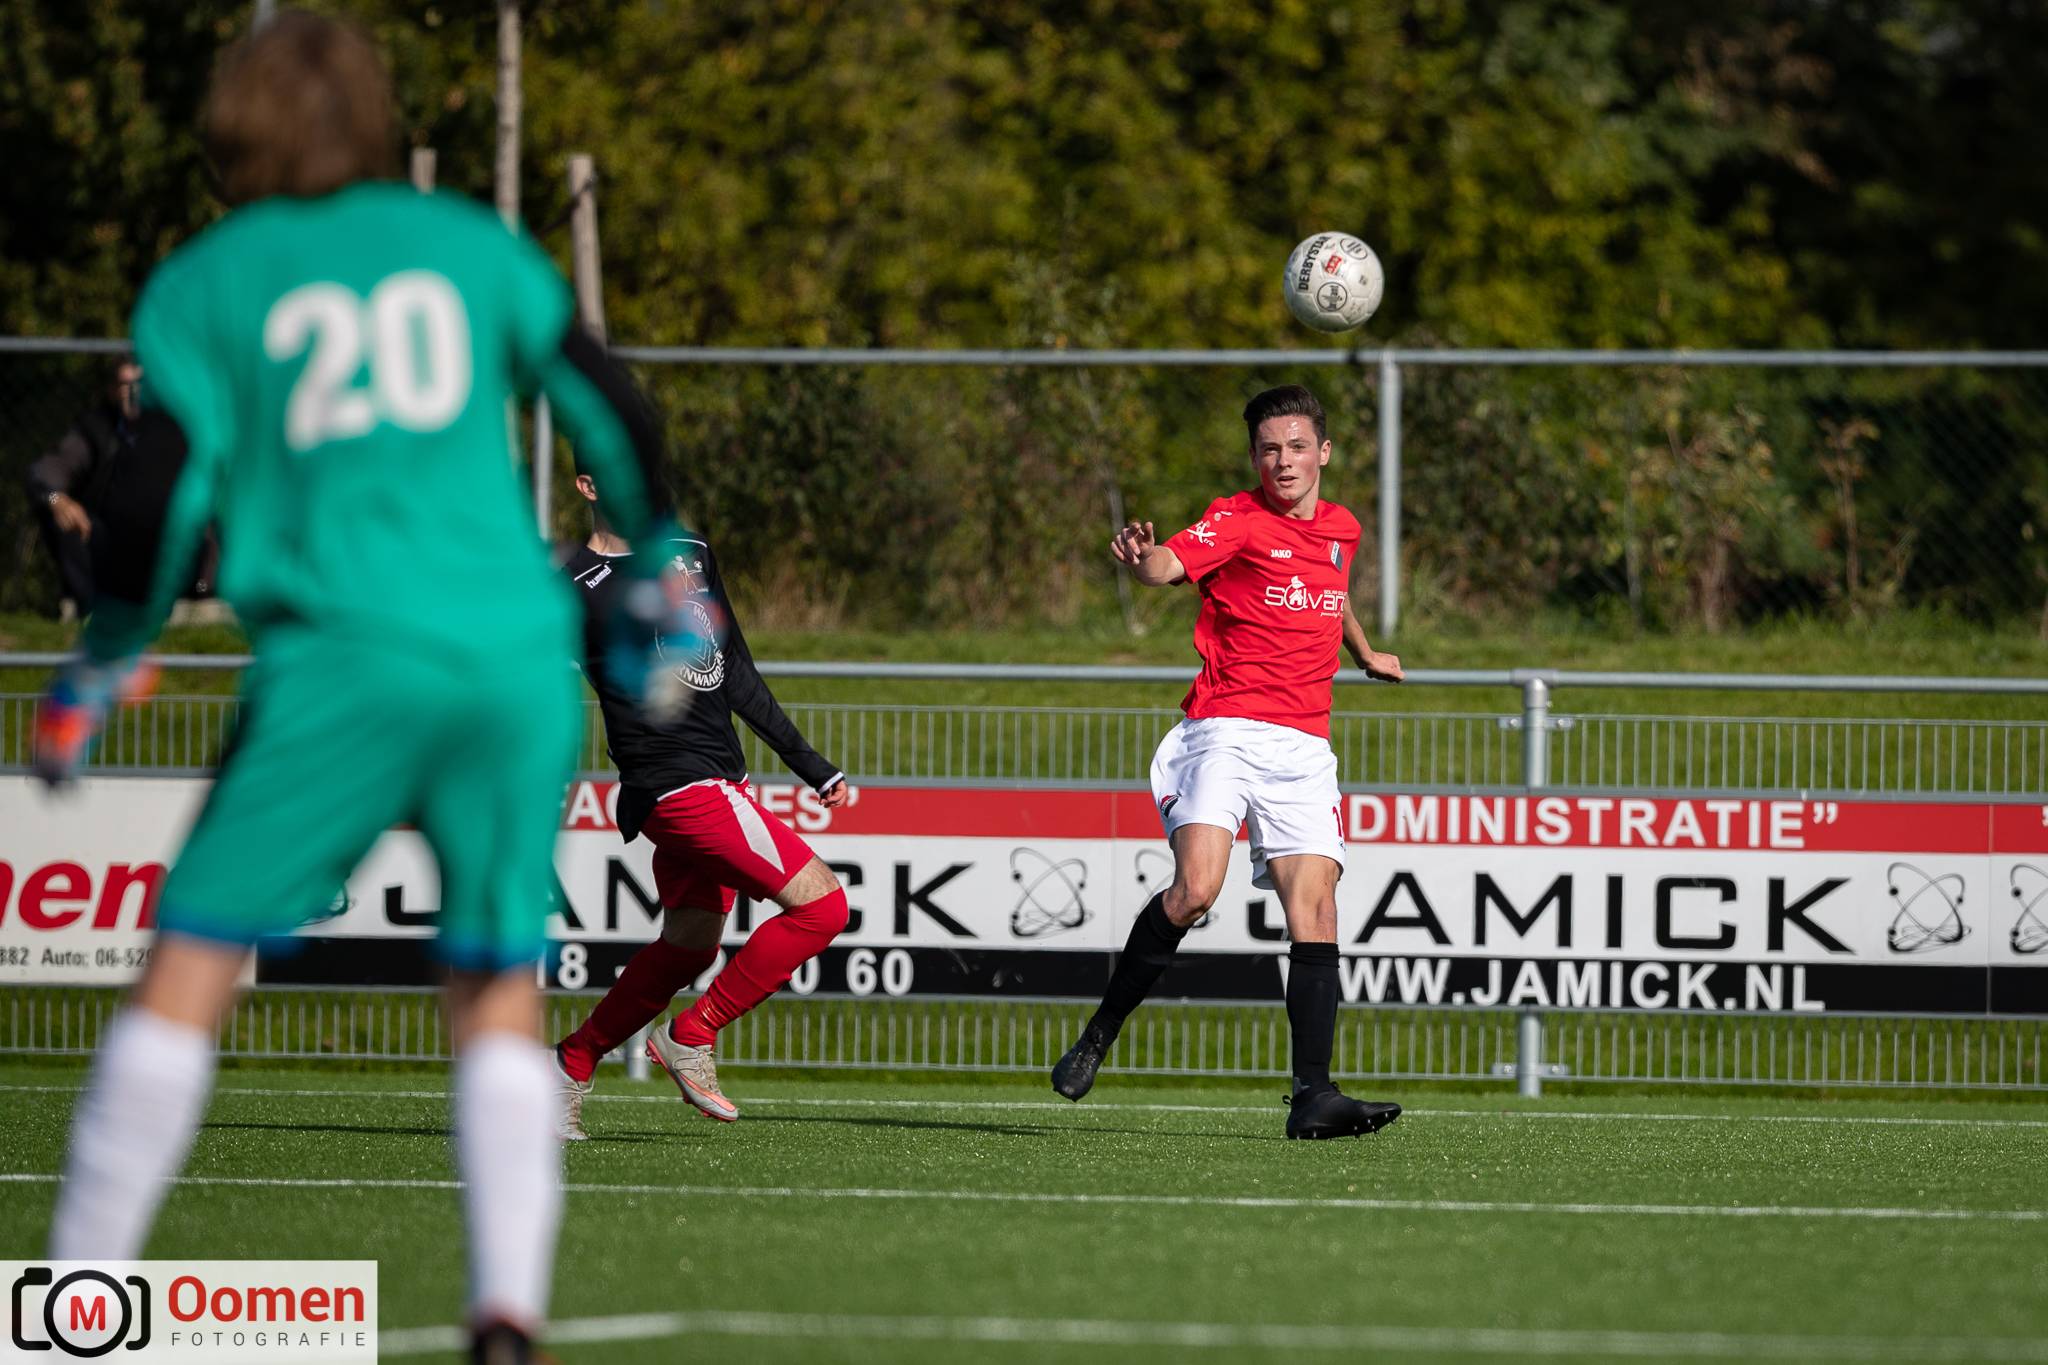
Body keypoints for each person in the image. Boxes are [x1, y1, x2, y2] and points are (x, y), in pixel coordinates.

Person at [32, 14, 682, 1364]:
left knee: (191, 964)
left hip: (341, 652)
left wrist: (106, 649)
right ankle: (506, 1311)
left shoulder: (210, 280)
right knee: (494, 982)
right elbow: (616, 408)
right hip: (513, 658)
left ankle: (75, 1305)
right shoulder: (470, 245)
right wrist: (656, 568)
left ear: (234, 127)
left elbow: (151, 499)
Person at [1051, 384, 1407, 1140]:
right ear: (1254, 458)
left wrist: (1365, 652)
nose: (1284, 460)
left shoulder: (1342, 528)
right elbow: (1167, 565)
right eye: (1270, 449)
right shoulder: (1237, 520)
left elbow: (1331, 589)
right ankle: (1099, 1034)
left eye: (1298, 446)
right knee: (1195, 891)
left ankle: (1314, 1095)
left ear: (1324, 452)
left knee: (1317, 911)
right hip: (1226, 728)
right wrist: (1142, 559)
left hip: (1304, 743)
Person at [552, 467, 851, 1136]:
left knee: (689, 946)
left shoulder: (689, 554)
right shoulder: (569, 580)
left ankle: (571, 1062)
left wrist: (809, 763)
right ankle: (693, 1033)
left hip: (718, 779)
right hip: (676, 787)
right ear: (588, 486)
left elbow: (734, 667)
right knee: (824, 905)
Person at [23, 360, 144, 617]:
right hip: (106, 536)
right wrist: (56, 498)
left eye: (138, 385)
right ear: (111, 389)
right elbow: (45, 472)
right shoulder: (94, 430)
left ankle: (202, 596)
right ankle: (91, 608)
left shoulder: (170, 428)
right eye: (124, 385)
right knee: (68, 518)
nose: (132, 392)